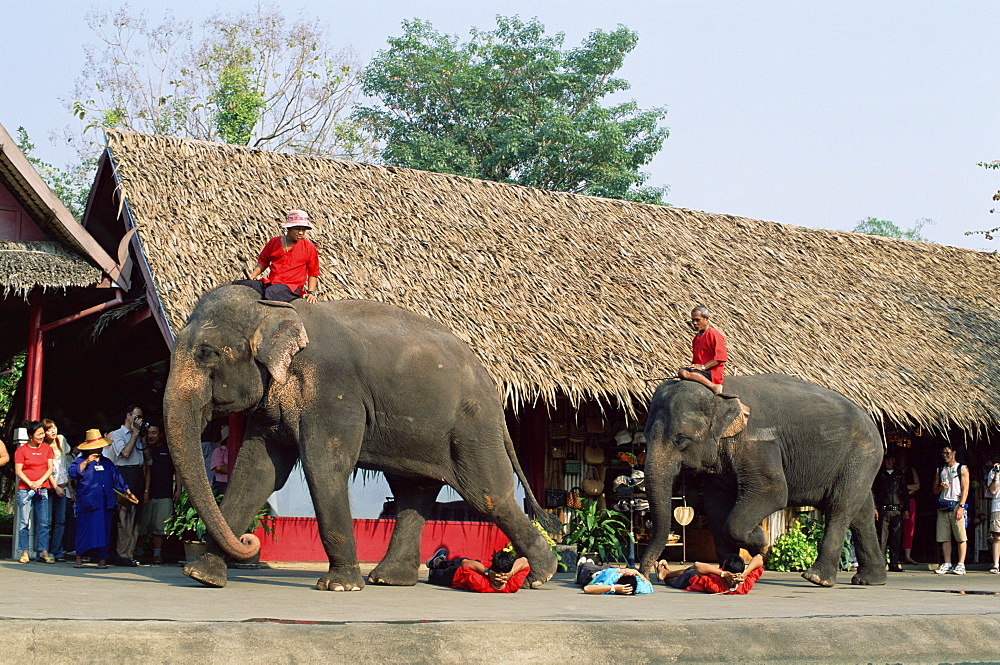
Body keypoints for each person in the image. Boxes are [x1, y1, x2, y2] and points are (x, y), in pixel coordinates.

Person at [70, 429, 137, 568]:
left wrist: (128, 491)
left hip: (105, 502)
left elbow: (117, 478)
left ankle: (102, 560)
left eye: (100, 447)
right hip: (87, 501)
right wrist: (87, 462)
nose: (98, 449)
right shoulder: (80, 460)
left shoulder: (107, 462)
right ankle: (79, 558)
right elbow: (73, 473)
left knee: (103, 531)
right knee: (84, 530)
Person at [233, 209, 320, 303]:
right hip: (272, 283)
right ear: (289, 228)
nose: (301, 233)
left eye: (303, 230)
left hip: (291, 287)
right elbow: (263, 262)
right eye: (297, 229)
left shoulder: (309, 247)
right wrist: (254, 274)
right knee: (239, 284)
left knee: (271, 293)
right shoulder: (274, 242)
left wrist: (311, 292)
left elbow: (313, 272)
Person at [107, 404, 146, 567]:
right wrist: (135, 434)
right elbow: (125, 453)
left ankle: (129, 553)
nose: (139, 420)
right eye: (136, 417)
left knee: (136, 518)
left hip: (138, 473)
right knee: (125, 517)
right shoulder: (117, 434)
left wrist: (141, 437)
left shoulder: (138, 435)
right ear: (128, 416)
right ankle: (121, 554)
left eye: (140, 418)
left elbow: (147, 457)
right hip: (124, 474)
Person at [13, 421, 55, 563]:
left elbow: (50, 468)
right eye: (39, 434)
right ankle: (24, 551)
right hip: (25, 490)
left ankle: (43, 551)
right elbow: (19, 470)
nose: (42, 436)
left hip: (42, 488)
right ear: (31, 435)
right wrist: (30, 483)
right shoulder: (22, 450)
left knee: (44, 522)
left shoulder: (47, 449)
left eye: (43, 433)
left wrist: (39, 482)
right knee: (24, 522)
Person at [136, 423, 177, 565]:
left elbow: (177, 471)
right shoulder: (142, 449)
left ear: (161, 435)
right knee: (142, 525)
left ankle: (157, 555)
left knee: (160, 527)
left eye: (154, 433)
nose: (151, 436)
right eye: (149, 433)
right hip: (145, 494)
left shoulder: (168, 450)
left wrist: (178, 489)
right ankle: (138, 552)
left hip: (165, 492)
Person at [932, 445, 969, 575]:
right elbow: (934, 489)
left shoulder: (961, 468)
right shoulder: (940, 469)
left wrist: (961, 506)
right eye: (943, 453)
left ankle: (961, 563)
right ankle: (947, 563)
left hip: (956, 503)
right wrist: (941, 488)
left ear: (954, 453)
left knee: (960, 536)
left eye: (947, 453)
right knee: (944, 536)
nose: (945, 456)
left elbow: (965, 489)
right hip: (943, 504)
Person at [425, 547, 530, 593]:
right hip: (479, 566)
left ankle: (436, 563)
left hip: (455, 576)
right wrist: (510, 574)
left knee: (437, 573)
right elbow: (524, 561)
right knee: (467, 560)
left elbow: (465, 564)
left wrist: (488, 573)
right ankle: (438, 562)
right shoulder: (512, 584)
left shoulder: (481, 584)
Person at [677, 305, 728, 394]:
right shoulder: (696, 338)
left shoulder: (713, 334)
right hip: (700, 370)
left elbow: (721, 358)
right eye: (693, 320)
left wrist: (703, 367)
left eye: (697, 320)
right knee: (683, 370)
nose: (694, 323)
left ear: (706, 319)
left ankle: (714, 387)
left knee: (683, 372)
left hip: (711, 372)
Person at [659, 554, 765, 594]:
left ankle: (664, 573)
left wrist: (723, 574)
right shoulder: (745, 585)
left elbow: (697, 566)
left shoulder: (716, 586)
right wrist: (745, 573)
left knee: (673, 578)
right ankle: (665, 572)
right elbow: (759, 558)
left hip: (692, 579)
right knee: (689, 571)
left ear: (724, 568)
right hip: (697, 576)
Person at [43, 419, 72, 562]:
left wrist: (70, 489)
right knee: (47, 521)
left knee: (61, 520)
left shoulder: (61, 441)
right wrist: (55, 487)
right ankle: (45, 550)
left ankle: (57, 550)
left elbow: (65, 466)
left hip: (63, 484)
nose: (53, 431)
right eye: (48, 430)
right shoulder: (43, 447)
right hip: (50, 486)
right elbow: (47, 470)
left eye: (53, 428)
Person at [872, 451, 907, 572]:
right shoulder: (879, 475)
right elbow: (874, 493)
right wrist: (874, 508)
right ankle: (881, 564)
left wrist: (906, 508)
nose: (886, 462)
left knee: (895, 538)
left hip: (896, 510)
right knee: (882, 538)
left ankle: (894, 563)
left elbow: (904, 492)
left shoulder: (899, 475)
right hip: (883, 510)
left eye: (889, 460)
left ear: (893, 461)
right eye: (884, 460)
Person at [895, 448, 921, 565]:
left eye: (902, 457)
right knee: (896, 527)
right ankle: (896, 555)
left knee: (909, 527)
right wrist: (906, 490)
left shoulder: (911, 470)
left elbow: (917, 486)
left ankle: (907, 556)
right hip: (896, 501)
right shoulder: (894, 472)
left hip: (910, 502)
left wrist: (903, 489)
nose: (900, 460)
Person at [575, 557, 654, 595]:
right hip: (610, 569)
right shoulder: (639, 586)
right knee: (605, 566)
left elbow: (587, 589)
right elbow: (649, 585)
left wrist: (613, 588)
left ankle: (582, 567)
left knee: (586, 567)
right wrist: (637, 573)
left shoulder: (609, 583)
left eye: (623, 574)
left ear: (616, 581)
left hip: (598, 575)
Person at [986, 455, 1000, 574]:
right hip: (998, 507)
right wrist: (996, 475)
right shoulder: (993, 472)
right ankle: (996, 564)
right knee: (997, 537)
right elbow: (993, 491)